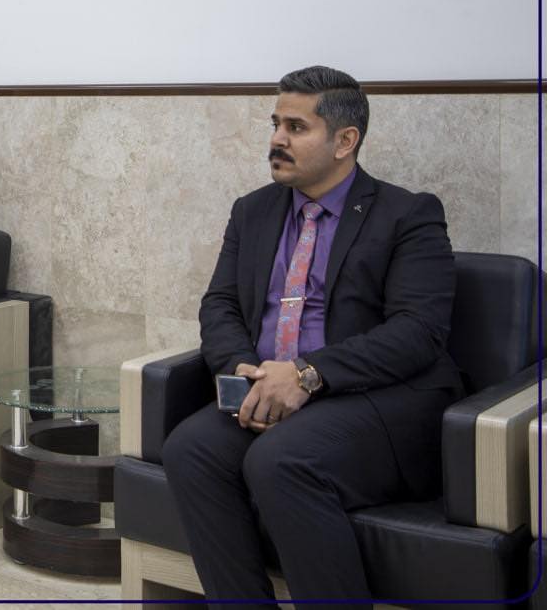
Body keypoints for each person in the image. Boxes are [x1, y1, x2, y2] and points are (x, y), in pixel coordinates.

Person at [163, 65, 464, 610]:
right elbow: (220, 304)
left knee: (280, 460)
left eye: (296, 128)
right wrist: (240, 367)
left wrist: (307, 375)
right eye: (276, 124)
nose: (277, 139)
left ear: (345, 141)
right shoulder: (253, 211)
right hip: (268, 386)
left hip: (372, 400)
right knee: (190, 448)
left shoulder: (408, 214)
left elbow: (418, 332)